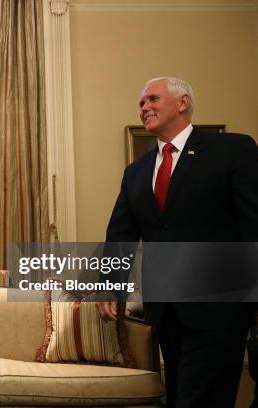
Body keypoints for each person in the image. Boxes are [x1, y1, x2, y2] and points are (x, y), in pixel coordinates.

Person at [97, 77, 258, 407]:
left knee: (199, 398)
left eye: (152, 99)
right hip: (166, 310)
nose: (144, 107)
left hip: (220, 307)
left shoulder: (232, 150)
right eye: (141, 103)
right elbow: (121, 234)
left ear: (182, 103)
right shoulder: (137, 171)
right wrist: (110, 285)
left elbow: (252, 223)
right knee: (179, 394)